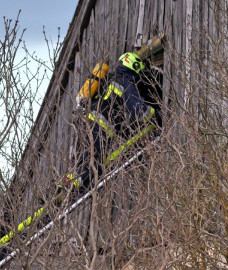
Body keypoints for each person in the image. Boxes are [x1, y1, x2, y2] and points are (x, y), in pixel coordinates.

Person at [60, 51, 156, 192]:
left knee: (80, 163)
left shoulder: (106, 80)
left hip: (83, 124)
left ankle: (59, 191)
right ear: (134, 66)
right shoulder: (126, 83)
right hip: (98, 130)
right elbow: (140, 114)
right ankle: (66, 188)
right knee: (90, 165)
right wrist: (155, 111)